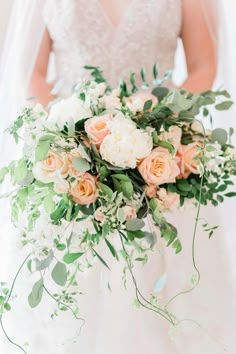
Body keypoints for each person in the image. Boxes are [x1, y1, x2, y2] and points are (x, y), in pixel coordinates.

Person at [0, 1, 235, 353]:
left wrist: (159, 122)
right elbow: (30, 72)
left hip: (161, 155)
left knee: (170, 293)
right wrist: (69, 138)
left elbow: (204, 65)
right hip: (72, 164)